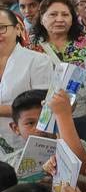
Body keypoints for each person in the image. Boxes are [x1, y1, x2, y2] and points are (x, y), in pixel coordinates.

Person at [29, 0, 86, 120]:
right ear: (42, 19)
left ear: (72, 19)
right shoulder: (32, 47)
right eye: (53, 14)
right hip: (51, 116)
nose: (60, 19)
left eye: (65, 14)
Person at [0, 8, 52, 151]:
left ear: (18, 29)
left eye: (2, 28)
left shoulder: (38, 61)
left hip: (28, 143)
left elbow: (41, 106)